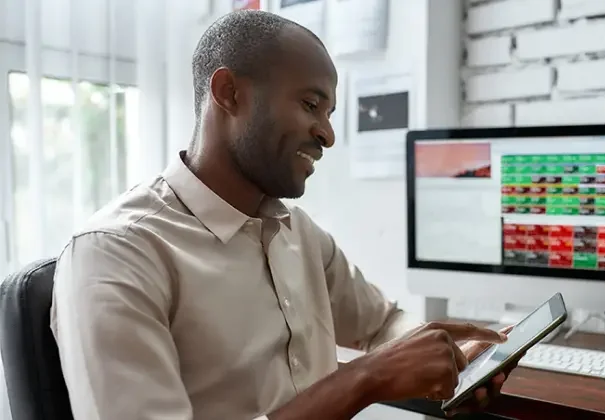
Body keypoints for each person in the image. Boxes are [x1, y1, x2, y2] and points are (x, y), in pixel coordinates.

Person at [51, 10, 515, 420]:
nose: (328, 135)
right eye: (311, 105)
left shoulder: (299, 234)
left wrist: (451, 357)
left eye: (329, 112)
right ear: (228, 93)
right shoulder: (116, 254)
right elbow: (371, 367)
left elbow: (381, 324)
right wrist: (364, 379)